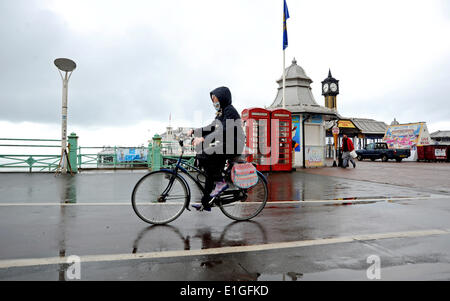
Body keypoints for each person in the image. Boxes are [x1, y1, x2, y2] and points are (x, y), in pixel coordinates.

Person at [188, 86, 244, 211]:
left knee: (207, 154)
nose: (214, 103)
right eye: (213, 101)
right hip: (226, 143)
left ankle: (220, 182)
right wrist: (194, 131)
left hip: (234, 144)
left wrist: (203, 139)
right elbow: (212, 127)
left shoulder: (230, 111)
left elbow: (223, 131)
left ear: (223, 98)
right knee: (209, 171)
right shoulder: (222, 112)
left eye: (216, 100)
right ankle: (206, 202)